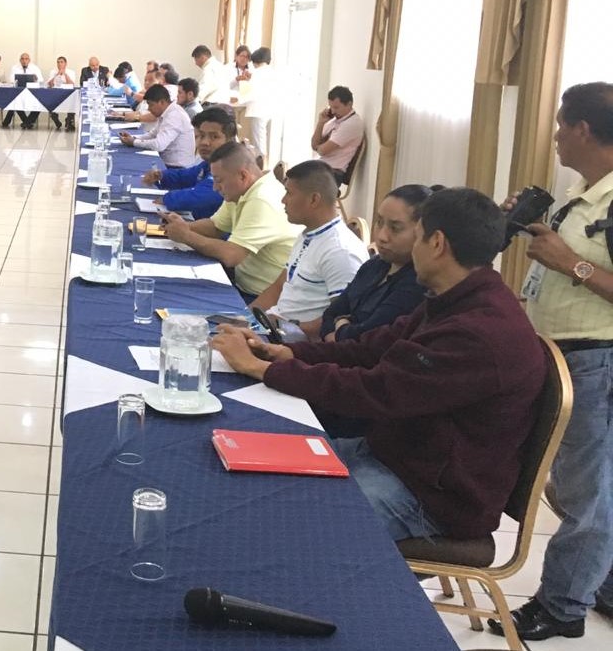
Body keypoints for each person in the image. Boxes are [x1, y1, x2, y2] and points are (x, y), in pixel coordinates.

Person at [212, 187, 546, 544]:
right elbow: (369, 349)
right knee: (244, 474)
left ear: (436, 243)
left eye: (416, 236)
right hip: (390, 453)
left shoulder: (479, 332)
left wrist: (263, 370)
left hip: (430, 494)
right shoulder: (454, 300)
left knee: (281, 528)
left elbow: (375, 391)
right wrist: (286, 354)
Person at [488, 81, 613, 642]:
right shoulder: (584, 192)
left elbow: (577, 267)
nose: (556, 136)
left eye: (562, 125)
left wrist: (571, 264)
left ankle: (563, 606)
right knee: (573, 485)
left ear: (584, 129)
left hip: (596, 360)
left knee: (586, 491)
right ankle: (598, 578)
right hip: (560, 355)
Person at [160, 142, 298, 298]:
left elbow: (231, 255)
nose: (215, 187)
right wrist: (183, 226)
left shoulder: (262, 199)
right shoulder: (242, 190)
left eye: (219, 180)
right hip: (241, 283)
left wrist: (186, 235)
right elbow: (215, 227)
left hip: (262, 297)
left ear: (243, 176)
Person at [249, 160, 369, 340]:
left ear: (314, 199)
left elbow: (339, 319)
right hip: (274, 328)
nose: (283, 200)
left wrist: (282, 329)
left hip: (293, 343)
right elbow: (278, 287)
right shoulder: (308, 234)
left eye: (289, 193)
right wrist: (245, 318)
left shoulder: (340, 252)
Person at [319, 184, 433, 342]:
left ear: (422, 232)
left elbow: (369, 336)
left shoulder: (419, 281)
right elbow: (331, 314)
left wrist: (341, 330)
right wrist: (338, 334)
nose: (381, 236)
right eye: (379, 222)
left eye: (395, 228)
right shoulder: (374, 265)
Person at [142, 105, 236, 219]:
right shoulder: (211, 162)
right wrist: (162, 176)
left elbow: (203, 196)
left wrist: (168, 199)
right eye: (200, 136)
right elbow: (187, 176)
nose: (204, 142)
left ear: (230, 139)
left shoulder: (231, 165)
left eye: (214, 137)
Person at [118, 85, 197, 169]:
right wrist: (133, 138)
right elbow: (153, 134)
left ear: (162, 102)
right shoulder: (168, 111)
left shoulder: (174, 116)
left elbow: (159, 145)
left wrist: (134, 142)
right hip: (167, 163)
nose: (149, 109)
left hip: (178, 169)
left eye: (151, 105)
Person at [312, 85, 365, 184]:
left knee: (296, 180)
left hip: (332, 172)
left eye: (336, 107)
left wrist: (318, 146)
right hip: (321, 167)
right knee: (293, 176)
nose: (332, 111)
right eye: (331, 107)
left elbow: (322, 151)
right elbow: (314, 145)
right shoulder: (335, 120)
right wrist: (320, 123)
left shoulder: (352, 123)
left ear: (349, 104)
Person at [239, 47, 275, 162]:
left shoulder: (257, 73)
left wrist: (244, 82)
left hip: (258, 110)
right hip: (269, 109)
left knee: (259, 141)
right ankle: (264, 161)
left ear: (255, 61)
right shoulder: (272, 72)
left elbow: (248, 94)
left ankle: (261, 163)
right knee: (264, 139)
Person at [5, 53, 44, 129]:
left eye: (26, 59)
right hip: (19, 93)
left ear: (29, 60)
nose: (24, 61)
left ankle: (27, 122)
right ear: (20, 60)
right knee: (15, 102)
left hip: (32, 93)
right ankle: (27, 122)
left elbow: (41, 80)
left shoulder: (35, 68)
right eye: (22, 59)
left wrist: (36, 79)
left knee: (39, 104)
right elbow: (11, 80)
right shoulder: (15, 68)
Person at [47, 56, 78, 131]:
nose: (59, 64)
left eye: (61, 62)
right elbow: (50, 85)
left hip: (68, 95)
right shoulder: (53, 72)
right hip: (55, 94)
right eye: (58, 62)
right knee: (48, 102)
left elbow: (71, 84)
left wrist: (65, 74)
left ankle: (69, 122)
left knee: (73, 102)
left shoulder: (71, 72)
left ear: (65, 63)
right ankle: (57, 122)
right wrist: (56, 75)